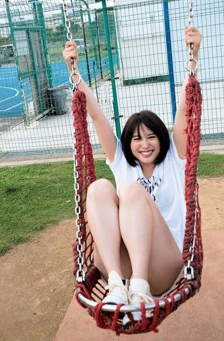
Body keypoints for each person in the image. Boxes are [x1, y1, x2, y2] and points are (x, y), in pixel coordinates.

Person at [63, 26, 202, 323]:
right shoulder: (122, 163)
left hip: (163, 264)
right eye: (137, 139)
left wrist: (193, 58)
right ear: (128, 143)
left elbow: (183, 111)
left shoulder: (174, 162)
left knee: (129, 191)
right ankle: (117, 285)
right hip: (120, 265)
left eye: (151, 136)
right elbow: (97, 115)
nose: (145, 144)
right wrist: (74, 73)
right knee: (100, 187)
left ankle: (140, 287)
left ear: (162, 139)